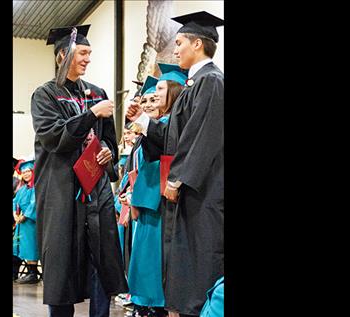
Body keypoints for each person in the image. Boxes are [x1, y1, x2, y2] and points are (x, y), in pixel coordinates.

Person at [126, 11, 224, 317]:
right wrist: (142, 120)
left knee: (201, 265)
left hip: (204, 194)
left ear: (198, 44)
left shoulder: (212, 82)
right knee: (185, 269)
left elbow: (203, 138)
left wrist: (176, 179)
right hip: (191, 195)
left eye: (180, 42)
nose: (176, 49)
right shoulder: (196, 86)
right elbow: (172, 136)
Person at [31, 24, 128, 317]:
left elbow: (109, 138)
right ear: (63, 55)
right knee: (62, 264)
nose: (88, 59)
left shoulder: (96, 92)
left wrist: (110, 151)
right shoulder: (45, 95)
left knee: (101, 259)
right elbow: (53, 138)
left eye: (89, 54)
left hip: (95, 192)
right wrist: (91, 115)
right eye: (82, 53)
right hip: (61, 191)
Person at [126, 65, 186, 317]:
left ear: (173, 92)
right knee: (145, 255)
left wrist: (143, 120)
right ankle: (146, 302)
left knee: (156, 255)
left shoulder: (175, 122)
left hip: (164, 197)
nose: (155, 95)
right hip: (149, 196)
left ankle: (157, 303)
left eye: (160, 89)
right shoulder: (159, 121)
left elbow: (165, 144)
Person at [12, 159, 40, 284]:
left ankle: (33, 274)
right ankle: (30, 272)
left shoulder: (36, 187)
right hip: (21, 223)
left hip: (31, 222)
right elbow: (14, 202)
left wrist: (25, 216)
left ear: (33, 172)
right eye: (23, 172)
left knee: (31, 246)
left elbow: (34, 204)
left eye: (28, 171)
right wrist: (15, 214)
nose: (26, 174)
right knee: (23, 247)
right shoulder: (22, 189)